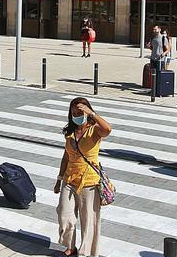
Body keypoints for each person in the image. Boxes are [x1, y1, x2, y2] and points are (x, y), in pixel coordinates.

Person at [54, 97, 112, 257]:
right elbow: (66, 157)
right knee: (64, 214)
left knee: (89, 221)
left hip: (89, 181)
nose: (77, 115)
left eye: (80, 112)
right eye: (74, 112)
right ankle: (70, 245)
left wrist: (92, 114)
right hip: (69, 179)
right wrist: (58, 180)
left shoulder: (94, 130)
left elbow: (108, 129)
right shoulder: (69, 131)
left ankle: (85, 252)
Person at [147, 25, 170, 96]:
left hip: (160, 60)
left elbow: (168, 49)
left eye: (155, 29)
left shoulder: (163, 38)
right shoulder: (153, 38)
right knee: (153, 75)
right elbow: (153, 48)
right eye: (153, 29)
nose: (154, 31)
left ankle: (159, 90)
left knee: (159, 75)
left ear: (159, 29)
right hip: (153, 58)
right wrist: (149, 47)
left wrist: (163, 54)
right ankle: (153, 90)